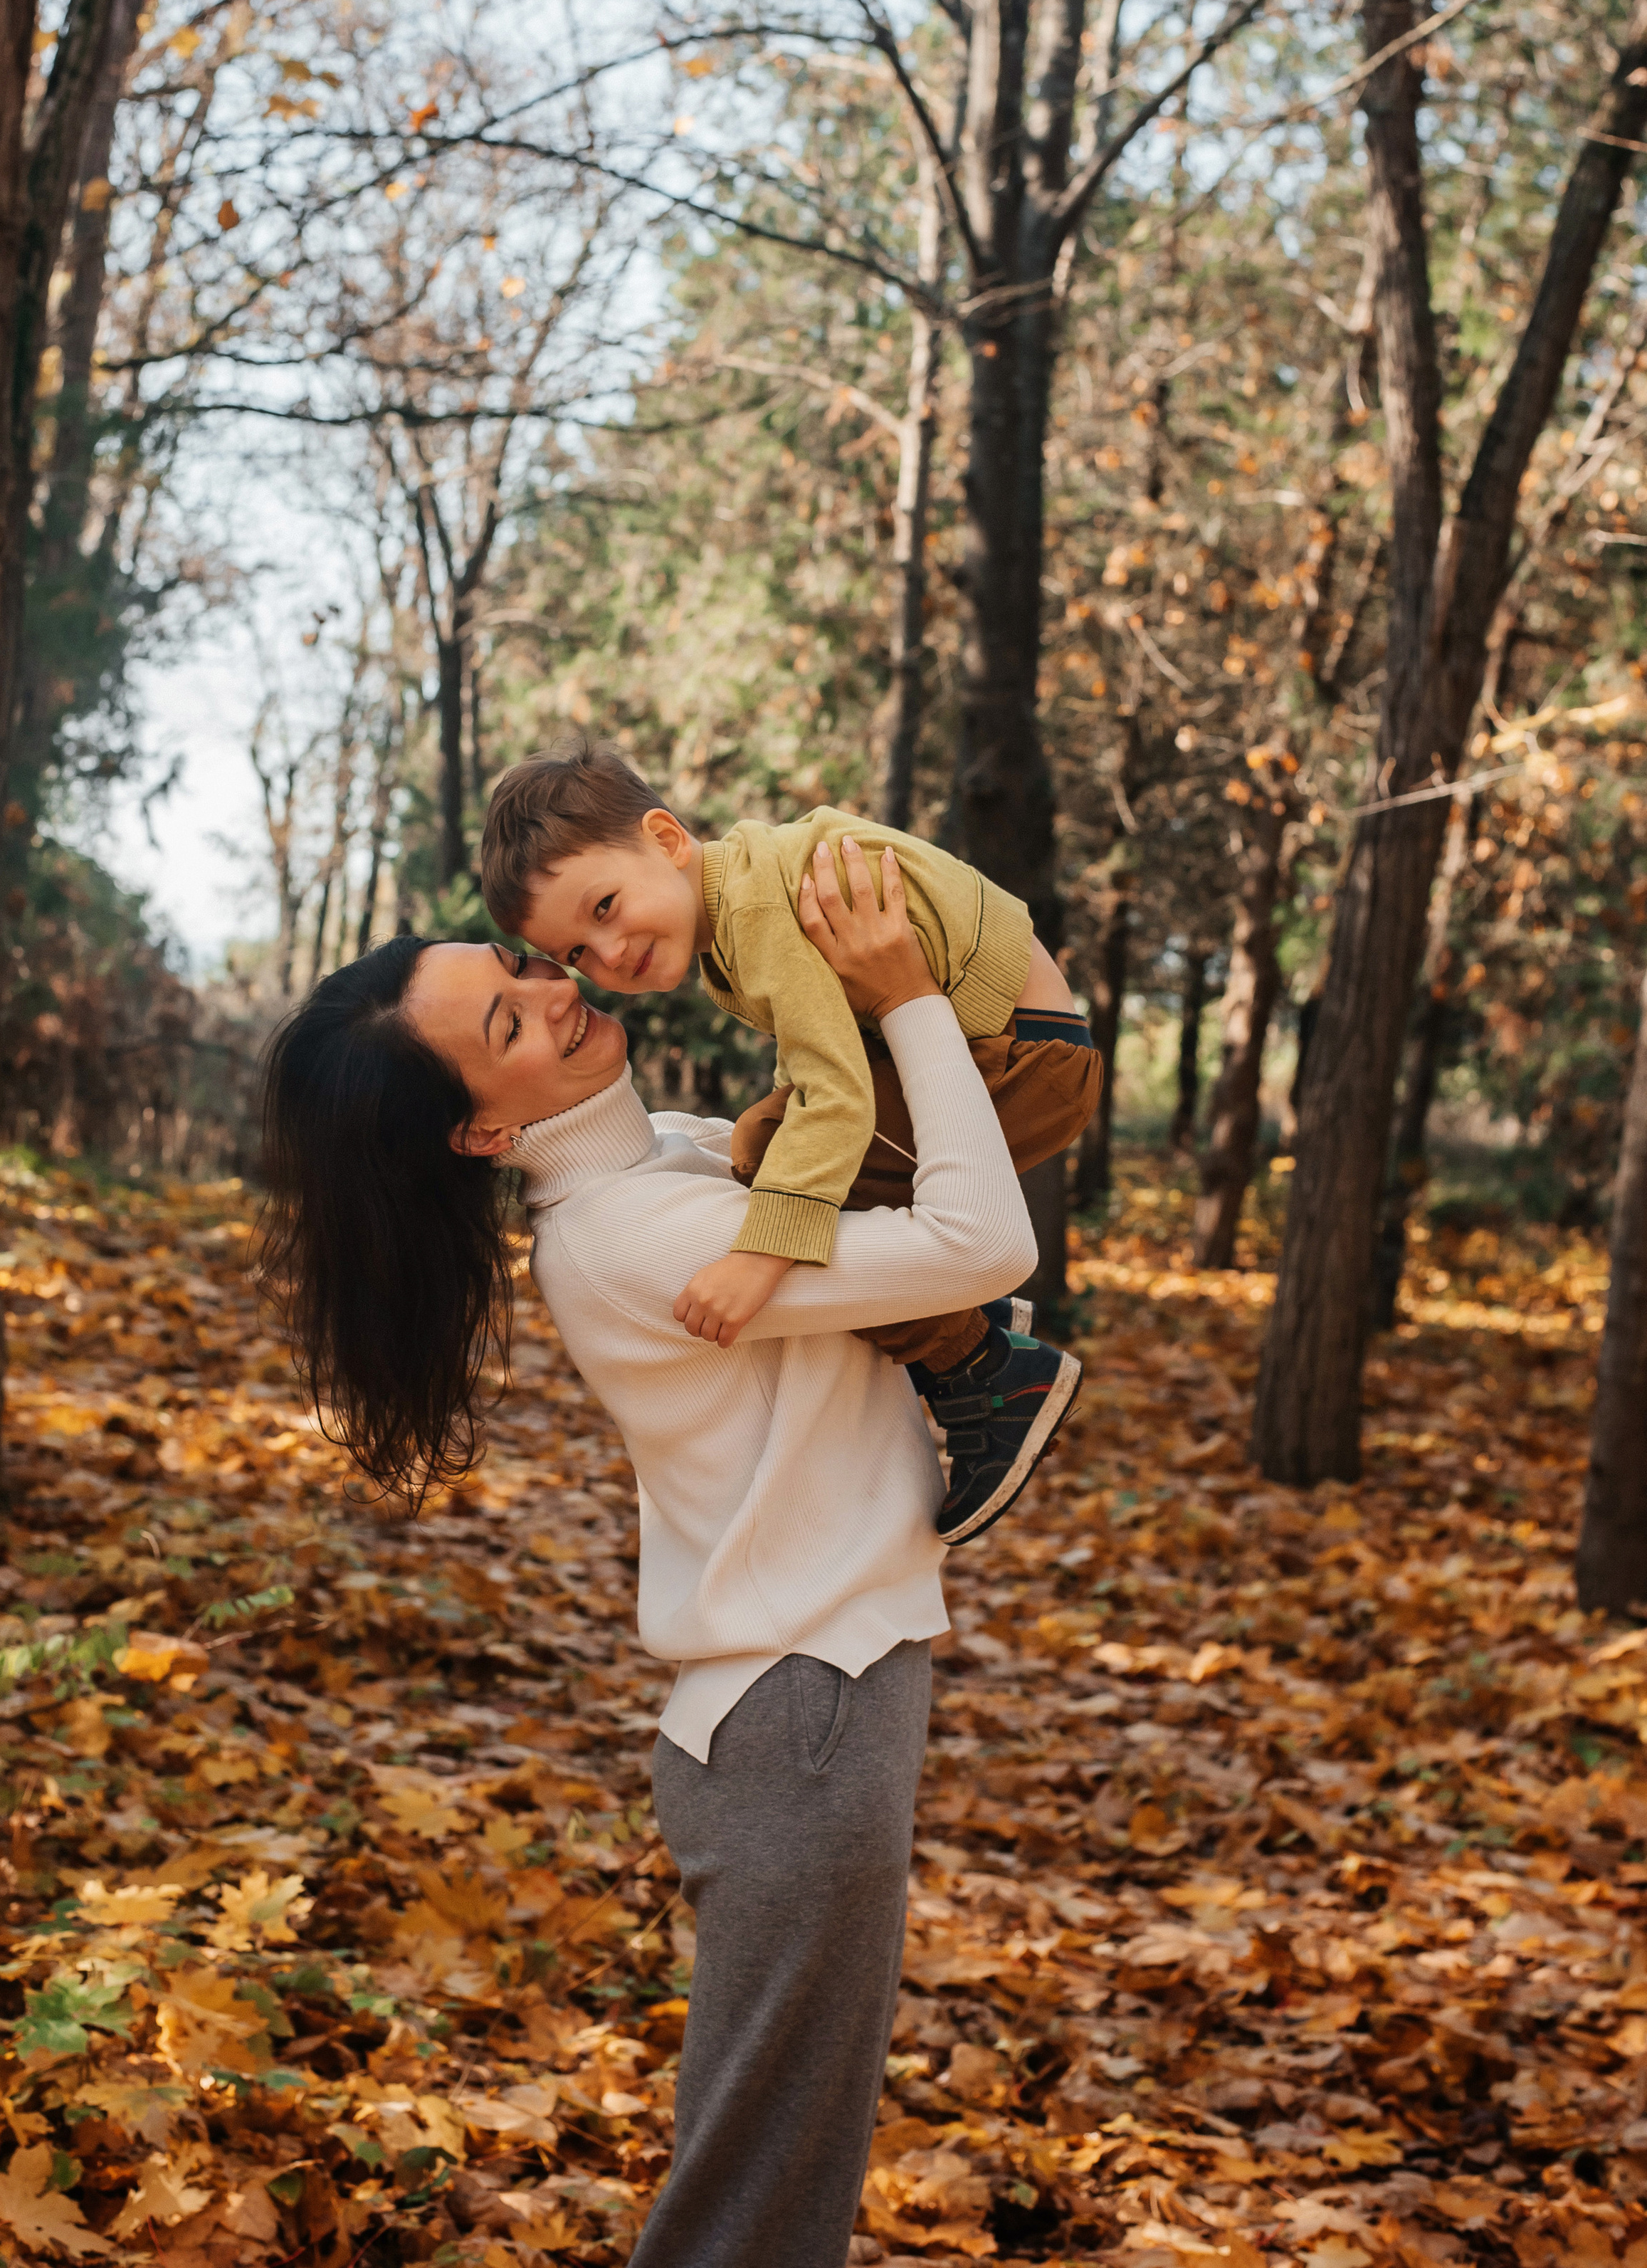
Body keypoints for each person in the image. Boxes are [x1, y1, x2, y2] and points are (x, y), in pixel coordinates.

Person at [256, 848, 1042, 2268]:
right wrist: (907, 993)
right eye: (508, 1027)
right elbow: (981, 1244)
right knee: (753, 2216)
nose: (552, 992)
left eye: (516, 970)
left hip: (799, 1709)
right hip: (805, 1717)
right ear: (480, 1138)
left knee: (771, 2193)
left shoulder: (671, 1160)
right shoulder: (643, 1236)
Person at [478, 742, 1103, 1542]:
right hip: (1011, 1039)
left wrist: (759, 1258)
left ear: (666, 841)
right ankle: (963, 1316)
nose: (605, 958)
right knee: (772, 1141)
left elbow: (834, 1095)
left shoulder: (753, 912)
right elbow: (825, 1058)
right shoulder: (738, 897)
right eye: (574, 954)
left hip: (1021, 1059)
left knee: (773, 1149)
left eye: (603, 908)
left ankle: (986, 1372)